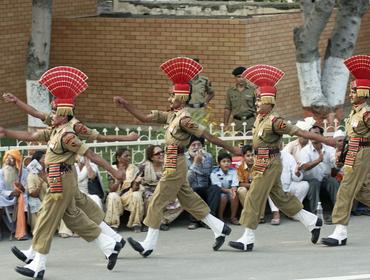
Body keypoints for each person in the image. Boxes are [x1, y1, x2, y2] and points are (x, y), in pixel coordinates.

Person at [0, 66, 125, 279]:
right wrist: (6, 131)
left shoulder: (68, 136)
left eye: (55, 110)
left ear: (64, 114)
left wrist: (113, 170)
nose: (51, 113)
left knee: (48, 218)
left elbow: (93, 155)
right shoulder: (56, 129)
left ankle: (37, 265)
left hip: (62, 179)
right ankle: (109, 244)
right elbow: (31, 136)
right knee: (73, 217)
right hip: (58, 177)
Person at [113, 57, 240, 257]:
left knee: (157, 201)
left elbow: (206, 135)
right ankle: (219, 228)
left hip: (176, 161)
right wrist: (126, 104)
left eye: (172, 96)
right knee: (188, 199)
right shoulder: (171, 115)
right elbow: (144, 118)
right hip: (172, 160)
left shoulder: (185, 119)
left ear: (181, 97)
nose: (169, 99)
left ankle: (148, 244)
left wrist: (232, 150)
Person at [228, 64, 336, 252]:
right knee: (281, 198)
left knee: (253, 197)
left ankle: (248, 238)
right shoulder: (260, 119)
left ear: (269, 101)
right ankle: (312, 221)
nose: (256, 103)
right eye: (256, 99)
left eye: (259, 100)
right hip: (262, 162)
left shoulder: (275, 121)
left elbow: (301, 131)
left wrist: (327, 140)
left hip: (269, 163)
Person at [321, 55, 370, 247]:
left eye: (354, 90)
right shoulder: (355, 113)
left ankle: (340, 231)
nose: (350, 94)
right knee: (362, 191)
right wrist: (342, 154)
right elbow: (350, 138)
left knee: (346, 188)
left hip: (362, 153)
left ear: (364, 92)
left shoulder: (366, 114)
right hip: (353, 152)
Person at [298, 125, 339, 213]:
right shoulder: (305, 151)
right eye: (311, 134)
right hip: (311, 181)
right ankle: (316, 213)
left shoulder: (330, 149)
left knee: (332, 181)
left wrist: (338, 162)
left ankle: (339, 212)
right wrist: (318, 160)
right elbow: (304, 167)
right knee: (314, 183)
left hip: (325, 180)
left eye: (316, 133)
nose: (313, 136)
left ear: (321, 136)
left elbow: (334, 161)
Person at [140, 145, 182, 231]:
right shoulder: (144, 166)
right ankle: (149, 223)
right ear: (151, 157)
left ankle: (162, 221)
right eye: (158, 153)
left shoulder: (168, 165)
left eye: (162, 152)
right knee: (151, 199)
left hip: (166, 190)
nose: (161, 154)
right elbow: (136, 181)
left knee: (182, 200)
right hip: (150, 191)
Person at [104, 148, 144, 232]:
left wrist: (137, 182)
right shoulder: (112, 169)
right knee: (112, 196)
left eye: (129, 156)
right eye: (126, 156)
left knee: (137, 195)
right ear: (118, 158)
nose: (129, 158)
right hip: (116, 194)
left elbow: (134, 189)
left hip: (129, 195)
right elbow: (111, 189)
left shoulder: (134, 169)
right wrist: (119, 179)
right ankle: (113, 224)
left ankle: (136, 223)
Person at [185, 135, 220, 230]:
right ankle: (194, 221)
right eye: (193, 145)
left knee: (215, 189)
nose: (196, 147)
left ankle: (210, 221)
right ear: (188, 147)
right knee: (191, 191)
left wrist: (198, 163)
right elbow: (187, 179)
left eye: (199, 145)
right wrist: (196, 163)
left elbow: (206, 173)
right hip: (191, 187)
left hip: (204, 186)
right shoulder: (183, 158)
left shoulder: (207, 156)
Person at [0, 149, 28, 240]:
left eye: (12, 158)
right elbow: (1, 189)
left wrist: (21, 189)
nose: (9, 161)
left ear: (17, 161)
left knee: (24, 199)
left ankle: (22, 230)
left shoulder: (23, 172)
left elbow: (26, 187)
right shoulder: (1, 172)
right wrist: (11, 193)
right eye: (7, 158)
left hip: (20, 195)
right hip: (5, 196)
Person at [224, 66, 256, 132]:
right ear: (235, 78)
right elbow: (227, 108)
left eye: (243, 76)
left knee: (250, 141)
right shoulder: (230, 91)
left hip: (250, 122)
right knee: (237, 142)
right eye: (239, 77)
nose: (241, 79)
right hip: (236, 123)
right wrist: (225, 124)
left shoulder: (252, 90)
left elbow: (257, 107)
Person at [210, 152, 239, 224]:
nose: (226, 163)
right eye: (224, 161)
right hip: (219, 192)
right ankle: (220, 217)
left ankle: (233, 217)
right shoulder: (214, 173)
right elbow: (218, 188)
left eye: (228, 161)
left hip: (230, 190)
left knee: (234, 195)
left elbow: (234, 184)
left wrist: (233, 190)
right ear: (219, 163)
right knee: (223, 197)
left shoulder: (234, 171)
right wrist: (229, 191)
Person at [187, 57, 215, 123]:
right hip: (188, 109)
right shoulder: (185, 81)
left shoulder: (204, 80)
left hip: (200, 109)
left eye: (197, 66)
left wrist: (205, 102)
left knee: (201, 128)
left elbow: (211, 93)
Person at [25, 151, 47, 234]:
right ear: (37, 161)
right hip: (40, 200)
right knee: (34, 203)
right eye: (43, 158)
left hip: (51, 198)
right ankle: (38, 230)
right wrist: (39, 185)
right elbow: (33, 194)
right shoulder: (32, 175)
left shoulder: (50, 171)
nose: (46, 160)